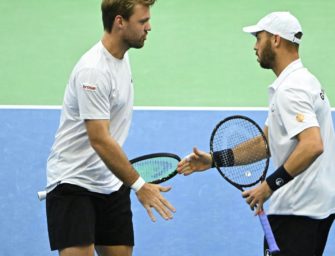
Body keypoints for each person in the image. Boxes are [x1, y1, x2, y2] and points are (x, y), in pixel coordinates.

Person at [177, 12, 335, 256]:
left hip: (298, 209)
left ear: (276, 40)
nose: (254, 45)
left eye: (258, 37)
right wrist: (214, 160)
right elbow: (264, 144)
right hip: (313, 205)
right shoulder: (304, 81)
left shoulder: (290, 90)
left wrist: (269, 186)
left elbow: (313, 145)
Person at [45, 1, 176, 255]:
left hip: (110, 181)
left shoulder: (120, 58)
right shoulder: (93, 71)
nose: (149, 27)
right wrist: (140, 185)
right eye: (142, 21)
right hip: (74, 182)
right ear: (120, 22)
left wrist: (126, 182)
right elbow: (100, 140)